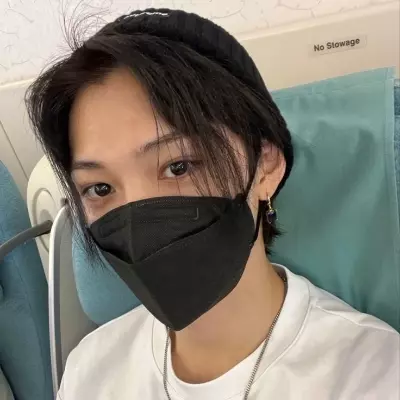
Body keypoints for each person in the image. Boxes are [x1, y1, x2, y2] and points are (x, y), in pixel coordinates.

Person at [26, 8, 399, 400]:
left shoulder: (373, 376)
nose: (139, 222)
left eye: (178, 166)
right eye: (100, 189)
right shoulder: (90, 372)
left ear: (265, 166)